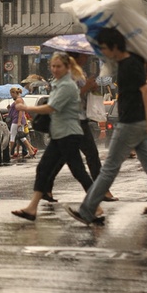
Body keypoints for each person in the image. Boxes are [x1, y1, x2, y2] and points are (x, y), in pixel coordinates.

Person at [65, 27, 147, 227]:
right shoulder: (127, 63)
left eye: (104, 48)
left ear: (114, 47)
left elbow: (146, 92)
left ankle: (87, 210)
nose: (103, 52)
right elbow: (112, 80)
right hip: (136, 122)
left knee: (109, 169)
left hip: (130, 123)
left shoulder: (129, 65)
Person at [11, 52, 95, 221]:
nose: (55, 69)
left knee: (78, 172)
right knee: (43, 169)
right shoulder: (58, 84)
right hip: (59, 134)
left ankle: (96, 207)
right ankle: (32, 208)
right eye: (53, 66)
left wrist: (26, 108)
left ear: (67, 67)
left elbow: (51, 108)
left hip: (69, 134)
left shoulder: (67, 86)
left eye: (59, 66)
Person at [45, 51, 116, 202]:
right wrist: (87, 87)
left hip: (77, 119)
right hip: (74, 120)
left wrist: (91, 86)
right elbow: (71, 95)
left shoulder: (79, 72)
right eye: (84, 55)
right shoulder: (69, 73)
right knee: (89, 156)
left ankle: (46, 188)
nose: (87, 58)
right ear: (77, 57)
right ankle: (100, 191)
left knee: (63, 157)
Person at [8, 87, 37, 159]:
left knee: (13, 136)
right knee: (21, 137)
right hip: (18, 120)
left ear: (14, 93)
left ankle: (10, 153)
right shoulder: (19, 100)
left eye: (11, 94)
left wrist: (19, 122)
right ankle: (31, 151)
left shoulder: (18, 100)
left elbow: (21, 111)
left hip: (16, 120)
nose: (11, 96)